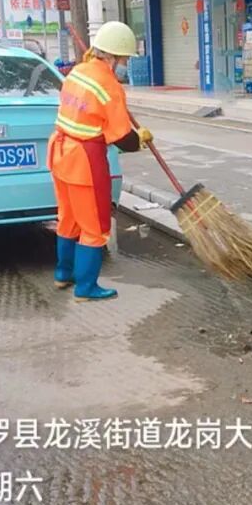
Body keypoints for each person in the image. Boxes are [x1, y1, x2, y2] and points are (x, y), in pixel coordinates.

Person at [48, 21, 151, 301]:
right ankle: (86, 287)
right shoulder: (109, 87)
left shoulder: (77, 72)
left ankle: (63, 274)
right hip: (84, 161)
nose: (125, 64)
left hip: (60, 154)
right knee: (94, 226)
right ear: (114, 57)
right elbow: (122, 137)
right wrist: (140, 139)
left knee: (68, 219)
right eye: (125, 58)